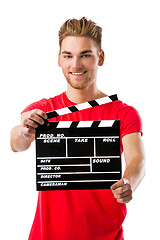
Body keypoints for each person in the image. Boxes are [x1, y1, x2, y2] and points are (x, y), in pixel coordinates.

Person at [10, 17, 145, 240]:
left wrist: (129, 181)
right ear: (59, 60)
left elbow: (137, 158)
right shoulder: (43, 110)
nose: (75, 65)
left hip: (106, 235)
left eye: (85, 54)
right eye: (68, 56)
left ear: (100, 57)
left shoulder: (123, 113)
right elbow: (16, 142)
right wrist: (24, 131)